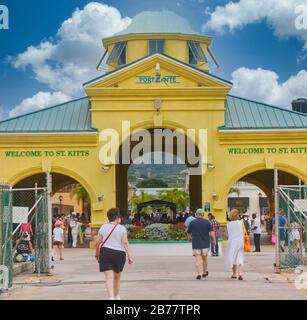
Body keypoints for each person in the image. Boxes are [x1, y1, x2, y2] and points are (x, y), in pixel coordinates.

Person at [95, 208, 133, 300]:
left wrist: (96, 250)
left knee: (109, 277)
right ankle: (117, 296)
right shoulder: (122, 228)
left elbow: (98, 242)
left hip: (106, 252)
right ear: (117, 217)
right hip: (119, 254)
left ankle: (111, 298)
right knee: (117, 277)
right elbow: (125, 243)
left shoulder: (103, 227)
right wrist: (130, 256)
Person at [187, 208, 216, 280]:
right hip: (205, 243)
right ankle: (204, 272)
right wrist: (214, 240)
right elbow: (212, 232)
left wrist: (190, 238)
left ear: (196, 214)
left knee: (198, 259)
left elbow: (188, 232)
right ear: (203, 214)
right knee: (205, 258)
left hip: (196, 243)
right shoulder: (207, 222)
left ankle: (199, 273)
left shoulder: (192, 222)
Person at [226, 209, 244, 280]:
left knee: (233, 257)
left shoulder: (228, 224)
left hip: (232, 242)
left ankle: (234, 274)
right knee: (239, 257)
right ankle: (240, 274)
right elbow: (242, 232)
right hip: (240, 242)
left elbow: (228, 235)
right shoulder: (241, 223)